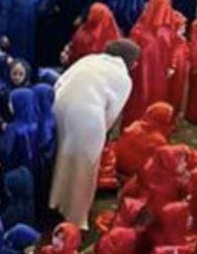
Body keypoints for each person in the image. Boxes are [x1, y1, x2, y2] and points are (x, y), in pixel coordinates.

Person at [48, 41, 139, 231]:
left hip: (60, 105)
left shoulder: (90, 59)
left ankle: (54, 200)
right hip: (88, 118)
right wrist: (101, 133)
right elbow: (112, 113)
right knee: (83, 168)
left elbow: (61, 81)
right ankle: (75, 216)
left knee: (61, 158)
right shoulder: (123, 78)